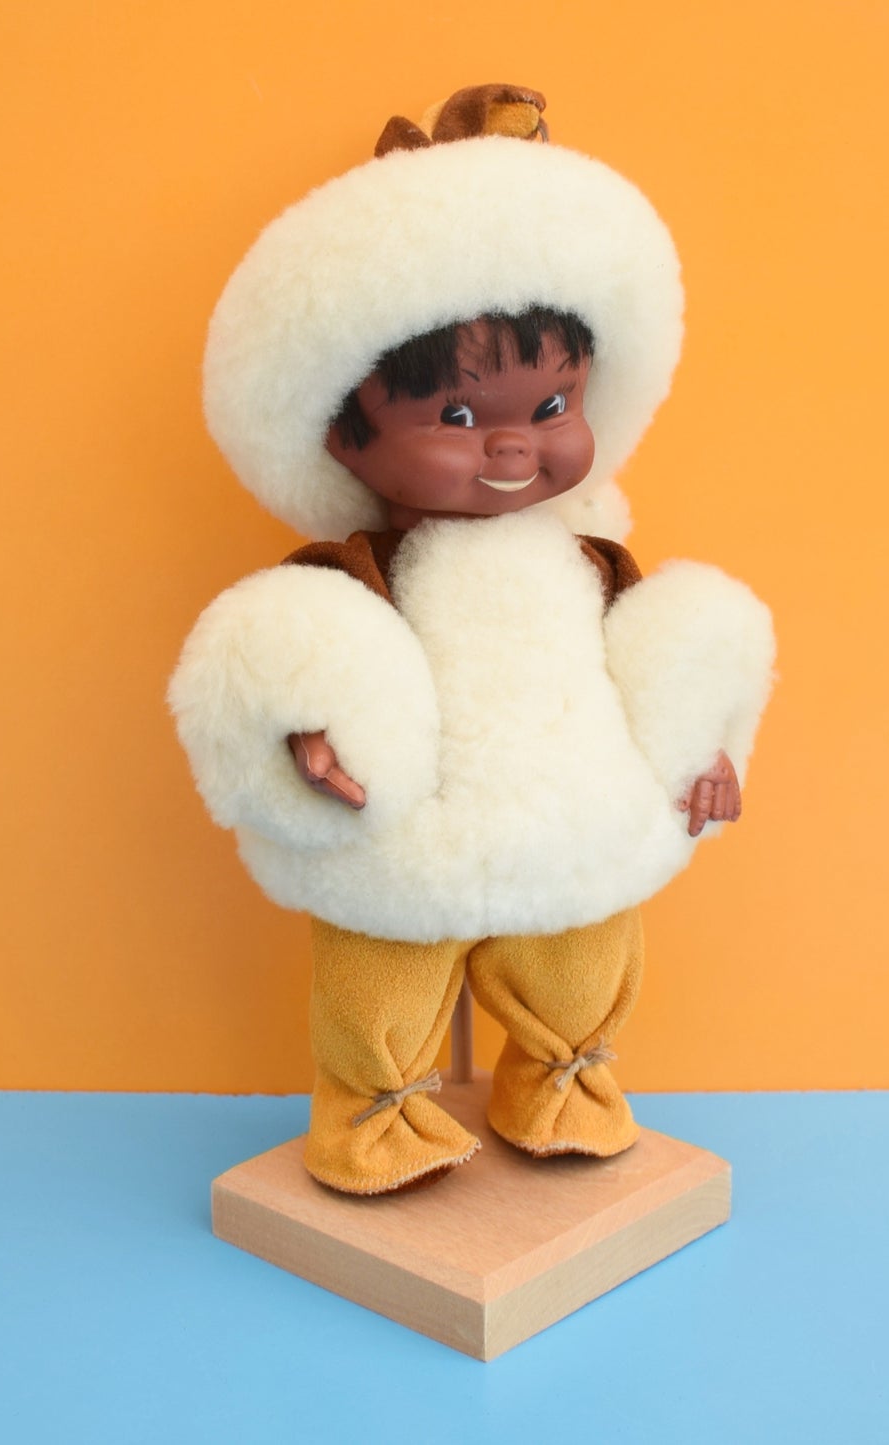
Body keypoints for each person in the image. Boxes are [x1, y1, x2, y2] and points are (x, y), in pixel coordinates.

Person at [170, 87, 775, 1194]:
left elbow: (652, 655)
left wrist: (705, 744)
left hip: (570, 826)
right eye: (455, 416)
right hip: (404, 835)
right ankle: (375, 1113)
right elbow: (301, 655)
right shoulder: (362, 570)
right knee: (382, 980)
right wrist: (306, 730)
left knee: (581, 959)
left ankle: (560, 1076)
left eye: (552, 406)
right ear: (344, 437)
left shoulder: (588, 559)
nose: (513, 445)